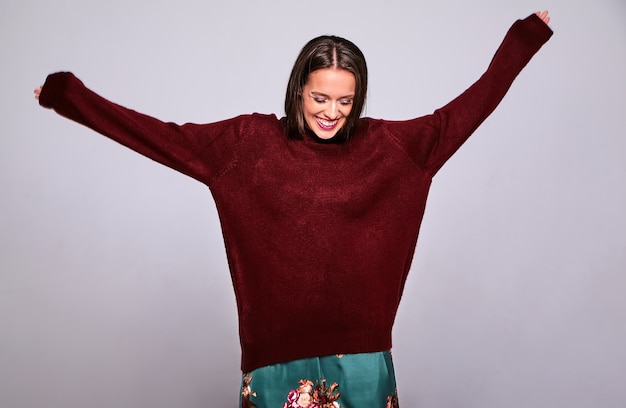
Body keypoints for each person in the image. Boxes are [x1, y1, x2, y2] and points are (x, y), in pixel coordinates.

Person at [35, 10, 552, 408]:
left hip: (365, 363)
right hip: (274, 365)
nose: (332, 113)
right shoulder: (246, 144)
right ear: (298, 90)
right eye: (320, 98)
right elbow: (160, 137)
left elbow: (467, 109)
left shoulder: (393, 147)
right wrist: (70, 98)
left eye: (346, 101)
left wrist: (521, 41)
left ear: (359, 99)